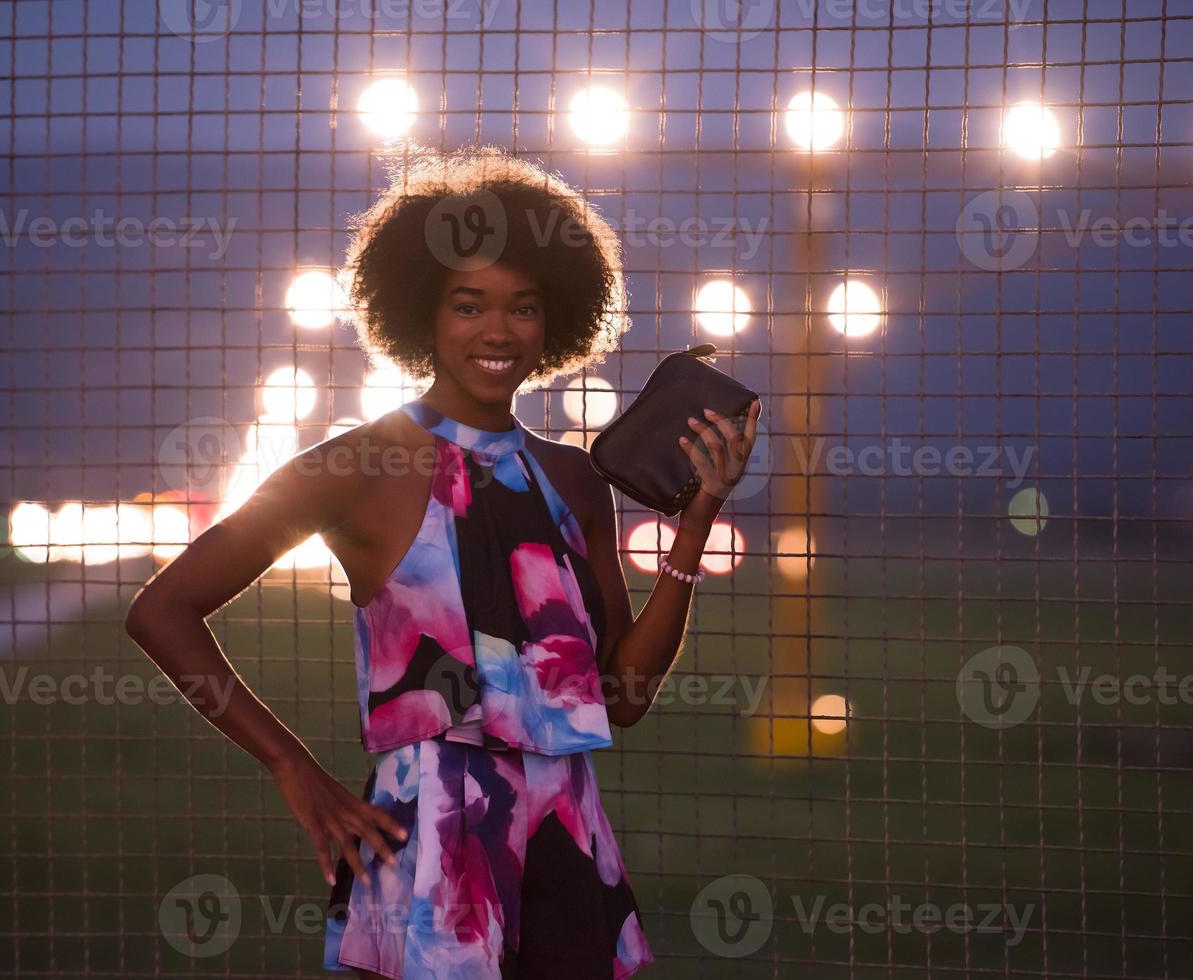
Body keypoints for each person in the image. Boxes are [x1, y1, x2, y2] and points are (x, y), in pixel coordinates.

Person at [125, 145, 762, 979]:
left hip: (566, 838)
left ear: (555, 321)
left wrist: (698, 516)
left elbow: (625, 699)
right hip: (427, 845)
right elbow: (161, 611)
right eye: (469, 305)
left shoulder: (574, 478)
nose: (498, 331)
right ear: (424, 313)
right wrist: (296, 770)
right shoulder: (352, 465)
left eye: (523, 308)